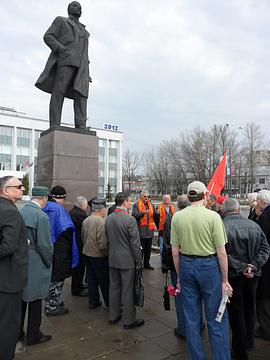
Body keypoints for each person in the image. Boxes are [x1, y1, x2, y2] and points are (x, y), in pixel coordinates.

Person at [171, 181, 232, 360]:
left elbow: (175, 251)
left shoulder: (178, 217)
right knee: (216, 317)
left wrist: (180, 277)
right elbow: (221, 252)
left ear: (189, 196)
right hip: (209, 267)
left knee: (191, 318)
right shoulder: (213, 217)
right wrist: (225, 280)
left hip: (186, 266)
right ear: (205, 195)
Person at [222, 198, 269, 359]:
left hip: (234, 276)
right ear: (238, 209)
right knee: (250, 308)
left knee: (236, 313)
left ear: (223, 210)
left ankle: (240, 350)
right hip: (253, 275)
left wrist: (245, 267)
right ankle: (249, 342)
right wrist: (253, 266)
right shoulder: (254, 225)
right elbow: (265, 248)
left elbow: (222, 254)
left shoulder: (222, 227)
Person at [35, 1, 91, 129]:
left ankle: (81, 124)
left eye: (80, 7)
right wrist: (60, 49)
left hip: (82, 66)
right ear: (69, 9)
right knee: (59, 92)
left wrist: (88, 72)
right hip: (66, 61)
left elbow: (85, 51)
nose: (79, 8)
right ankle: (55, 124)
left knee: (82, 95)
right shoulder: (61, 21)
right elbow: (48, 36)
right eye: (75, 6)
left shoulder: (84, 30)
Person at [19, 186, 53, 346]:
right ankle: (33, 336)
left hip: (21, 261)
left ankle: (18, 332)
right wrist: (49, 261)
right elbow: (45, 246)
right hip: (36, 263)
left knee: (21, 300)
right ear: (45, 198)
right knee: (35, 300)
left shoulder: (21, 211)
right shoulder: (41, 216)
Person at [105, 191, 144, 329]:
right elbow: (135, 243)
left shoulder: (108, 218)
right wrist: (139, 261)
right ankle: (129, 320)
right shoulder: (130, 219)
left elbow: (107, 240)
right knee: (128, 290)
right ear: (125, 203)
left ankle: (113, 315)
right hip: (127, 260)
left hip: (113, 258)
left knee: (114, 288)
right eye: (129, 201)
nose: (130, 203)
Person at [0, 176, 28, 360]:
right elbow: (7, 247)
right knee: (8, 327)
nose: (23, 189)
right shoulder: (10, 211)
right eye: (18, 186)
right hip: (8, 279)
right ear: (5, 190)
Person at [43, 186, 79, 316]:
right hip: (60, 250)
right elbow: (67, 229)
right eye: (63, 198)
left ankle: (52, 302)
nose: (64, 201)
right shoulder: (59, 209)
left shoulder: (44, 206)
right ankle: (53, 305)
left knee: (50, 276)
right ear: (59, 198)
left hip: (46, 248)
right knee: (57, 278)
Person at [82, 199, 109, 308]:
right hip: (98, 256)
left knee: (92, 279)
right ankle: (109, 302)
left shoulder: (86, 220)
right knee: (104, 280)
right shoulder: (101, 222)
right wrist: (105, 253)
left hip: (87, 253)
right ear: (102, 210)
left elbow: (82, 237)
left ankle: (93, 302)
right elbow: (102, 243)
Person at [253, 190, 270, 340]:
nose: (255, 202)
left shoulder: (265, 216)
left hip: (266, 264)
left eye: (257, 200)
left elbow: (260, 240)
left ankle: (266, 329)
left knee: (263, 297)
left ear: (263, 202)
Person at [132, 190, 156, 269]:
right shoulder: (136, 205)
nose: (146, 198)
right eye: (145, 196)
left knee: (148, 250)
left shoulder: (151, 205)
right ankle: (140, 265)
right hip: (141, 231)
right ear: (141, 197)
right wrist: (143, 212)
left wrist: (157, 213)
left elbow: (154, 215)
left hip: (150, 231)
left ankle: (147, 264)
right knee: (141, 250)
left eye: (147, 196)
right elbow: (134, 215)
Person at [69, 196, 88, 297]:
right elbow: (84, 228)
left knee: (78, 267)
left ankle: (79, 285)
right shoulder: (80, 214)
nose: (86, 207)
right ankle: (77, 289)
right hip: (79, 243)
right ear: (82, 205)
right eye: (86, 205)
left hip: (75, 242)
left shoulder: (73, 211)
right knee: (79, 267)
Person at [156, 194, 175, 263]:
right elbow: (156, 220)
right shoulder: (159, 208)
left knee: (171, 247)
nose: (167, 199)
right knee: (162, 248)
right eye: (165, 198)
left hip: (171, 231)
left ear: (170, 200)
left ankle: (170, 262)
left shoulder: (172, 208)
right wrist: (157, 214)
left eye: (168, 198)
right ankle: (163, 262)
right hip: (162, 231)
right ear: (163, 200)